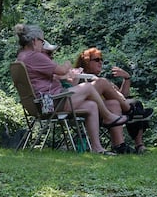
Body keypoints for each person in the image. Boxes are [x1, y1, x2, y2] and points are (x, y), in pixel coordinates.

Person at [14, 23, 128, 154]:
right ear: (34, 40)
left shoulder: (22, 56)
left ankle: (97, 148)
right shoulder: (34, 56)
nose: (42, 43)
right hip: (52, 103)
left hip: (41, 103)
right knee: (88, 87)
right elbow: (62, 70)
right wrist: (68, 63)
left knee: (91, 105)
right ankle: (108, 116)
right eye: (42, 40)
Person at [74, 48, 148, 154]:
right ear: (86, 62)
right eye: (96, 60)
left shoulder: (100, 80)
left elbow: (122, 96)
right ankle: (122, 142)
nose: (100, 62)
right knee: (123, 105)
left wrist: (126, 78)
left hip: (109, 111)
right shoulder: (80, 78)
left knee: (126, 103)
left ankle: (135, 145)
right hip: (91, 111)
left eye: (101, 60)